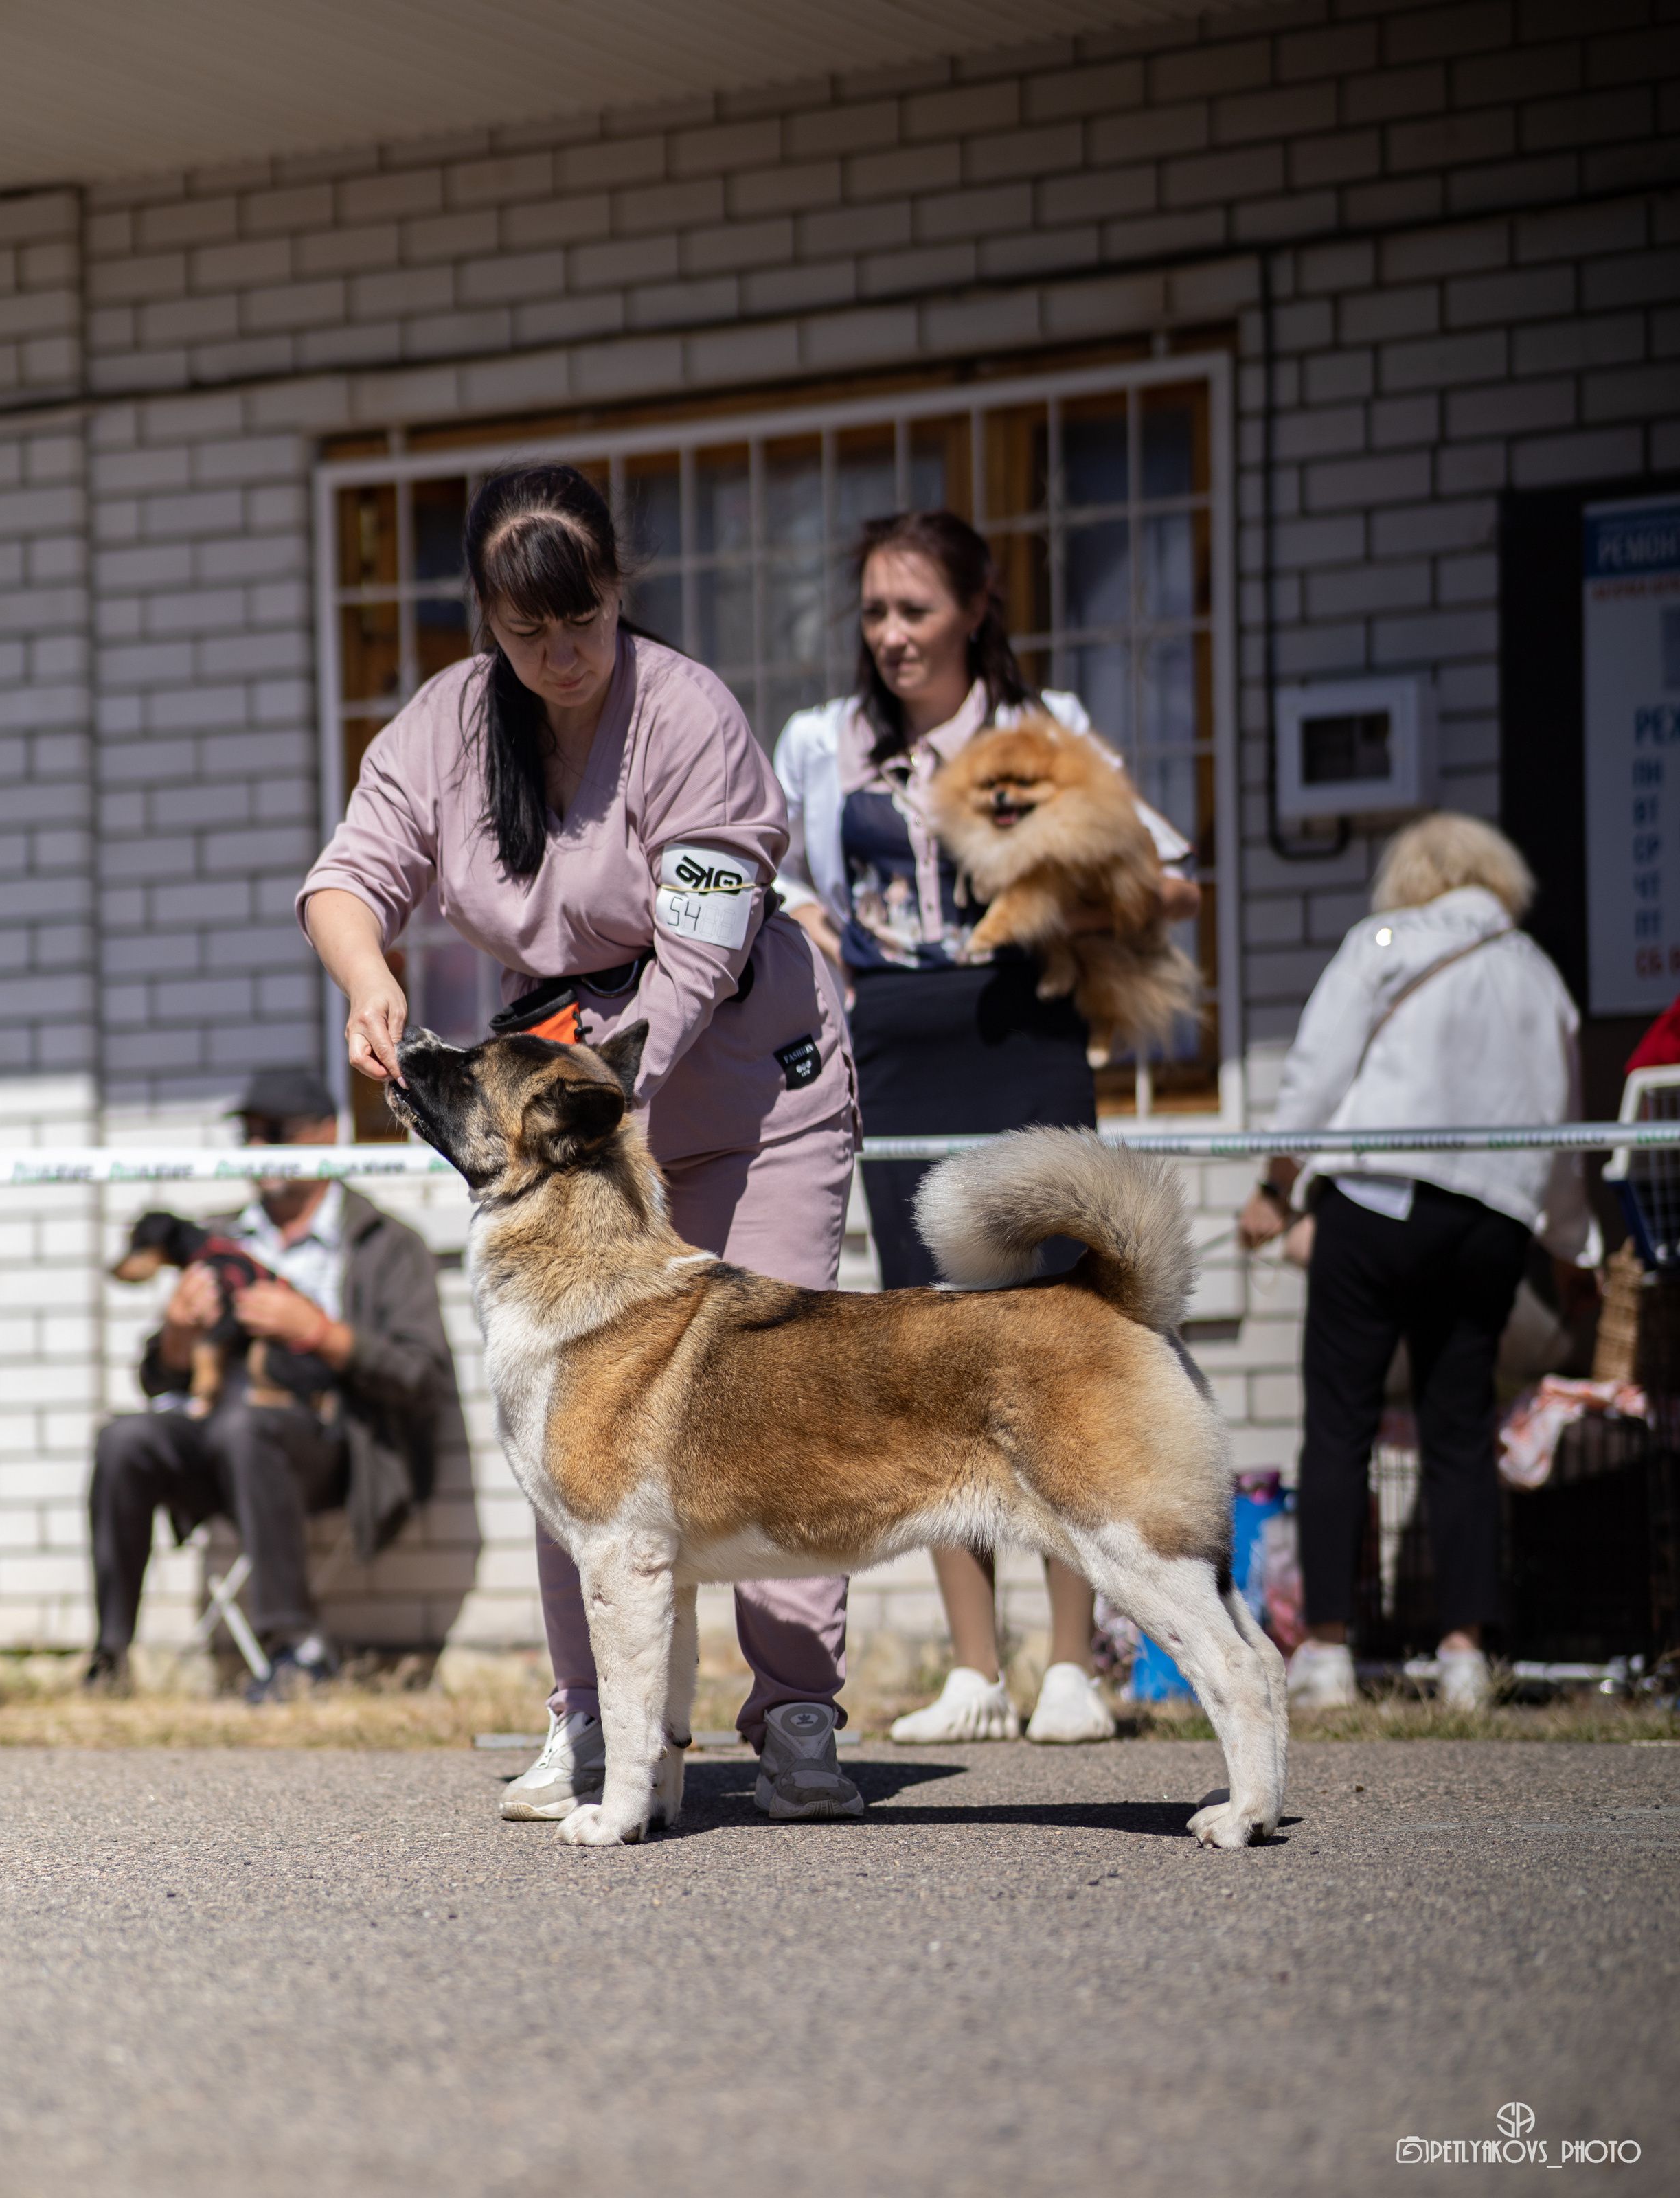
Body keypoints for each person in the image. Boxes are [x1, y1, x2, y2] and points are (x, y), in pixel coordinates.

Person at [300, 464, 866, 1823]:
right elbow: (346, 877)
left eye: (586, 622)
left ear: (623, 592)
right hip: (572, 1107)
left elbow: (696, 955)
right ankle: (594, 1723)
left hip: (736, 1083)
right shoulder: (443, 723)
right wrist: (367, 980)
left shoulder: (691, 715)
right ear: (487, 619)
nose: (560, 657)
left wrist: (598, 1099)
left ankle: (793, 1712)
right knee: (573, 1414)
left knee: (769, 1403)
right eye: (525, 630)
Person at [773, 510, 1201, 1746]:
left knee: (1059, 1339)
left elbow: (1172, 876)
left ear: (973, 609)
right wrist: (803, 920)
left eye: (915, 610)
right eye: (874, 613)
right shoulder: (823, 743)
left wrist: (1080, 885)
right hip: (893, 1047)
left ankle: (1071, 1662)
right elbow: (774, 865)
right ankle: (975, 1668)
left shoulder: (1041, 729)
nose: (893, 636)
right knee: (932, 1345)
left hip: (1023, 1033)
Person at [1236, 814, 1600, 1711]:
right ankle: (1464, 1653)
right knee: (1459, 1429)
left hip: (1377, 1197)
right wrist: (1573, 1243)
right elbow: (1564, 1121)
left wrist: (1277, 1186)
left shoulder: (1384, 940)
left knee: (1341, 1422)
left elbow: (1315, 1074)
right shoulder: (1539, 975)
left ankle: (1326, 1650)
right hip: (1490, 1218)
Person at [86, 1067, 466, 1701]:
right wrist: (178, 1335)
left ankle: (297, 1649)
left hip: (333, 1444)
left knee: (248, 1427)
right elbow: (158, 1377)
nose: (258, 1151)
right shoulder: (221, 1239)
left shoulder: (386, 1244)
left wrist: (321, 1333)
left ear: (325, 1136)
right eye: (249, 1136)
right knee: (123, 1439)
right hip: (223, 1435)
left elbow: (422, 1379)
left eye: (276, 1133)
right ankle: (110, 1659)